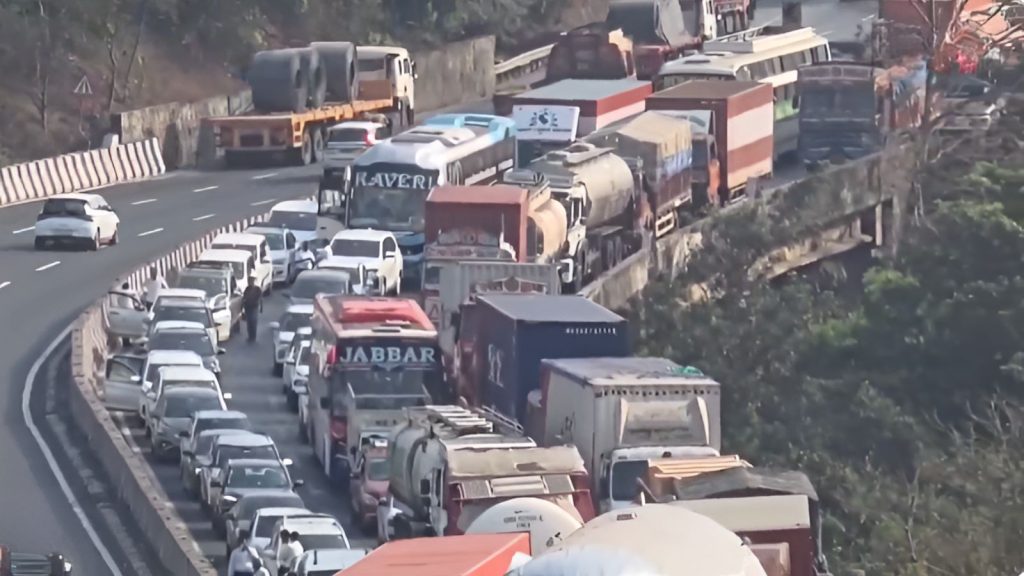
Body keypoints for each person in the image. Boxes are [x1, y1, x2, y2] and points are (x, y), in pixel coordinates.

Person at [242, 275, 263, 343]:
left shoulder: (257, 289)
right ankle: (250, 336)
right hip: (248, 307)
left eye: (251, 281)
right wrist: (242, 307)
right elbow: (244, 298)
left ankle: (253, 337)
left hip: (254, 307)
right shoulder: (247, 288)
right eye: (249, 281)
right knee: (249, 322)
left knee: (253, 321)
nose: (250, 282)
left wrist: (261, 308)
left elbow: (260, 299)